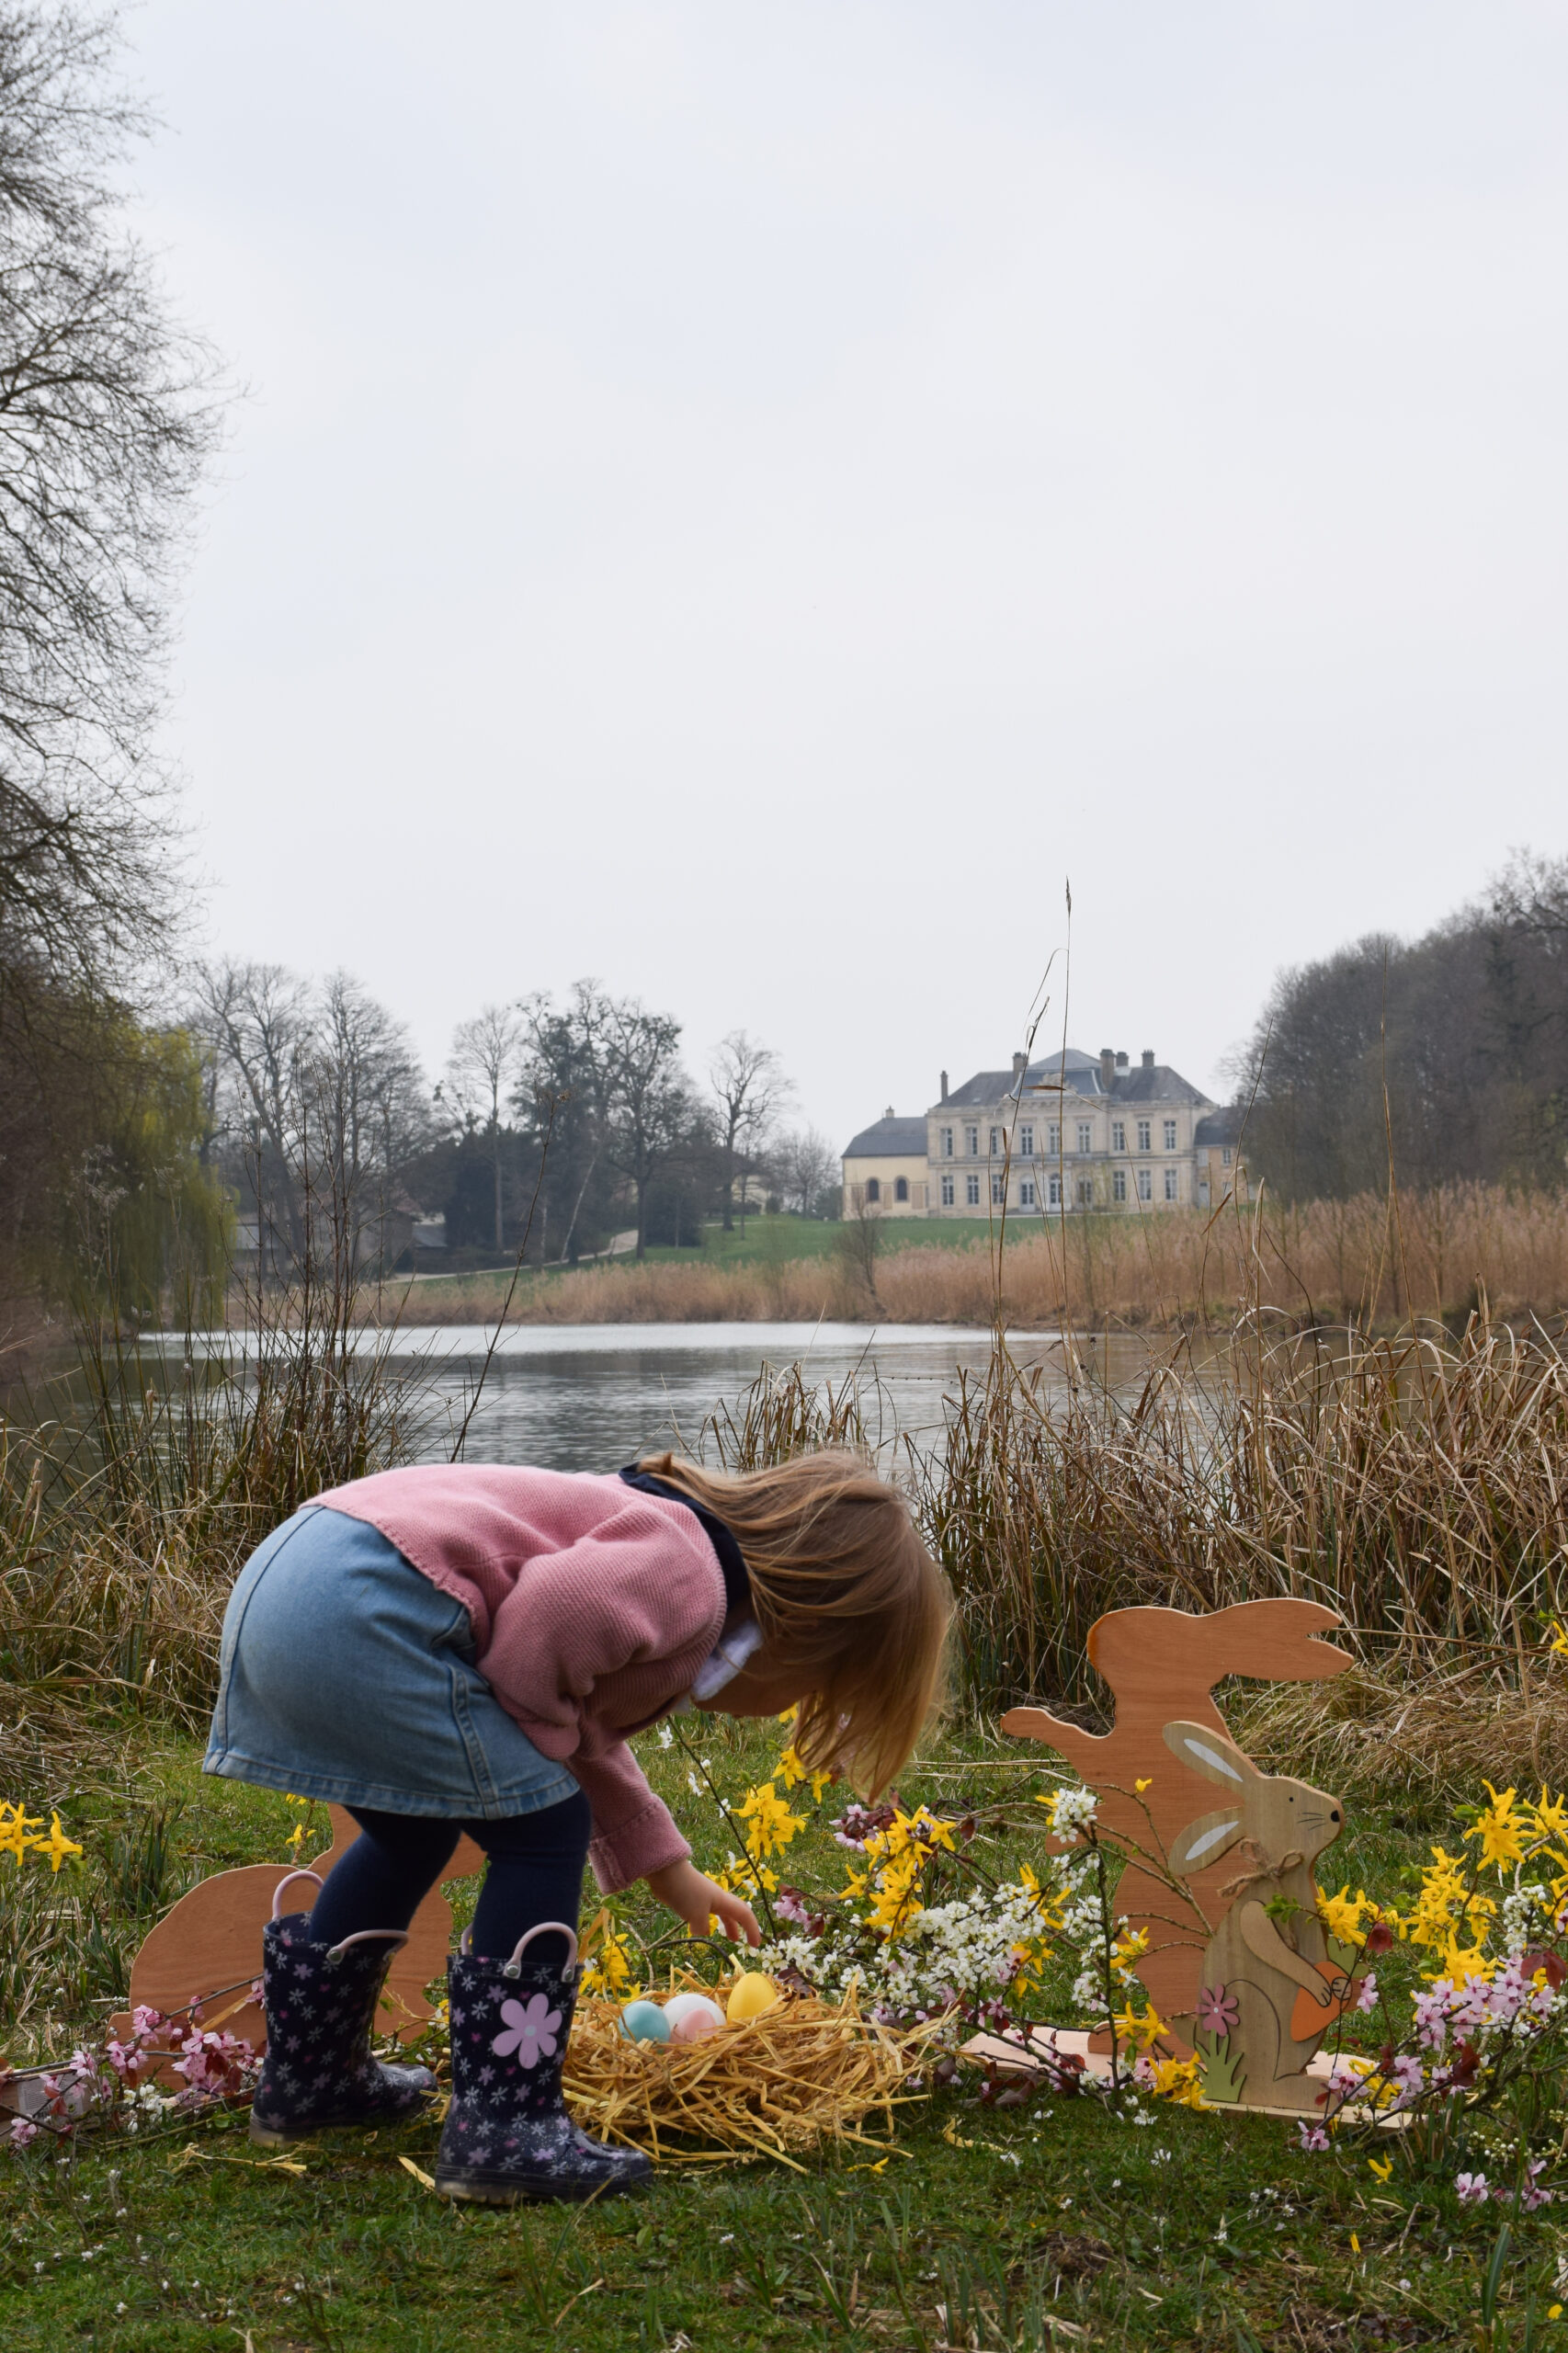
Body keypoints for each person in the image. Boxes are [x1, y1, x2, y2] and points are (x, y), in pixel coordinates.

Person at [203, 1448, 950, 2205]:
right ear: (803, 1630)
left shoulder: (666, 1542)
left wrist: (667, 1868)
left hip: (300, 1587)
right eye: (813, 1690)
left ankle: (313, 2081)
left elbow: (571, 1719)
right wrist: (543, 1784)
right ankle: (506, 2129)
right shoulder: (689, 1573)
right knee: (544, 1830)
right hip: (366, 1604)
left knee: (413, 1834)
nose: (790, 1709)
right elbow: (547, 1623)